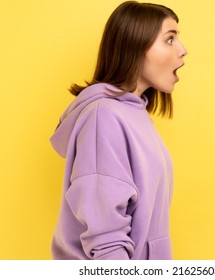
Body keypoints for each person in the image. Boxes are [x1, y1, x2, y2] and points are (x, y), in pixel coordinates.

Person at [50, 1, 187, 260]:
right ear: (135, 46)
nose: (183, 50)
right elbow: (107, 240)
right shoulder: (104, 116)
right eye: (169, 40)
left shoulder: (135, 115)